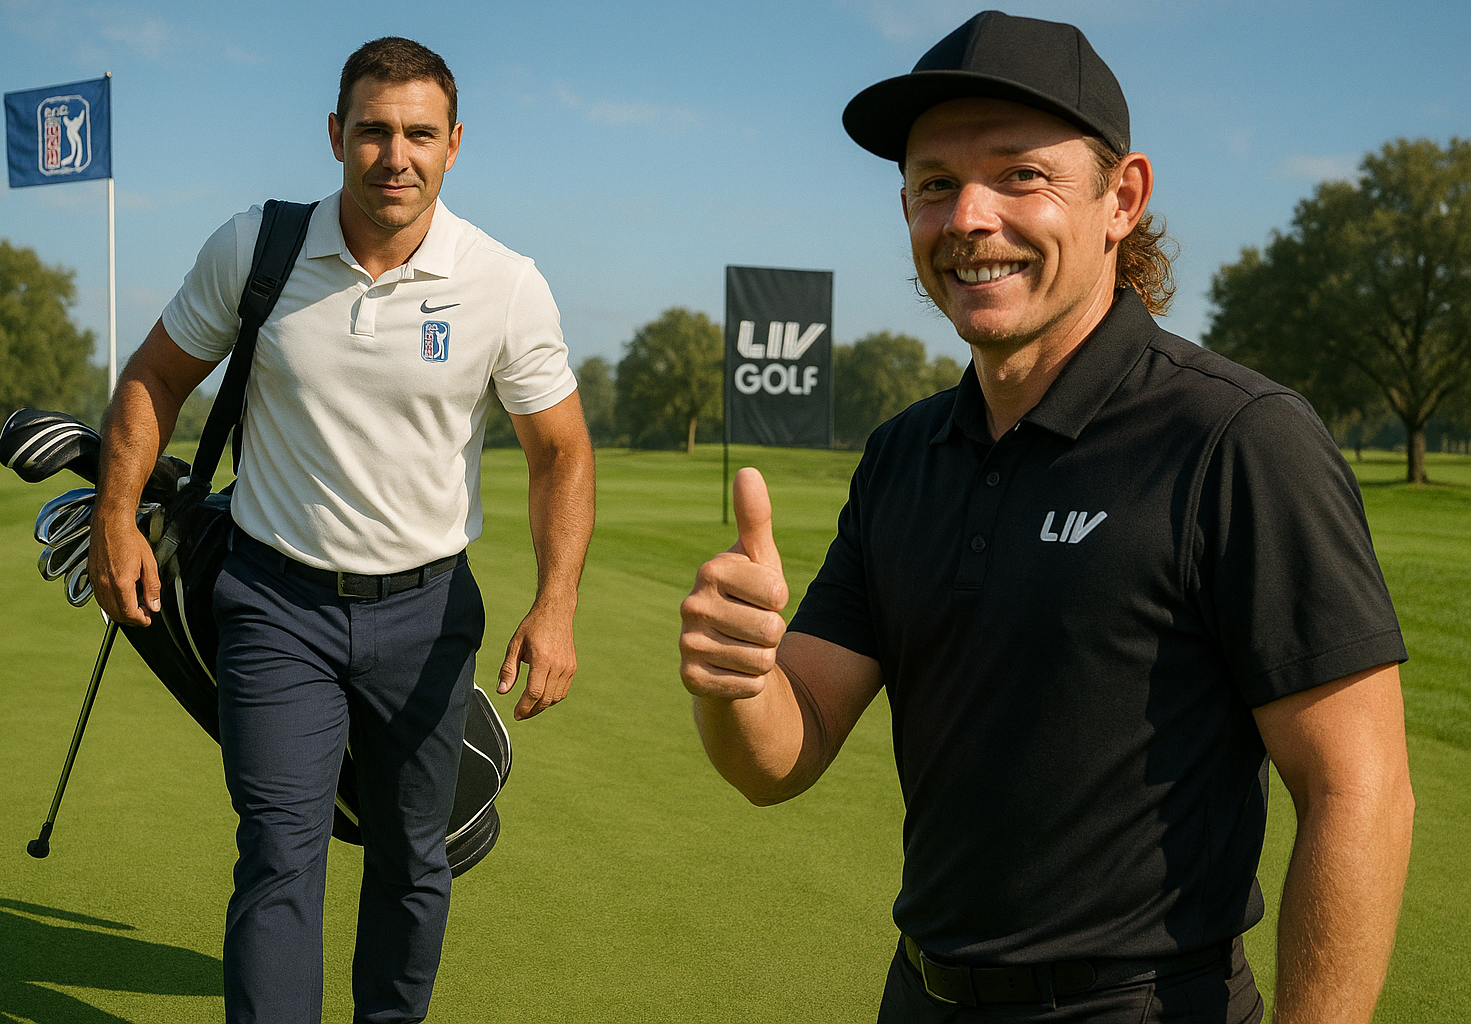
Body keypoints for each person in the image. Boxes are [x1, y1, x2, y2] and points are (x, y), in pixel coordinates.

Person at [678, 12, 1413, 1023]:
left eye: (1022, 174)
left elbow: (1357, 792)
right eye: (935, 183)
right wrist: (735, 679)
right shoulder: (904, 455)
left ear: (1122, 199)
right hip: (921, 995)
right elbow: (782, 751)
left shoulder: (1239, 438)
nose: (970, 216)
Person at [88, 37, 594, 1024]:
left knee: (415, 860)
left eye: (417, 134)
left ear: (454, 145)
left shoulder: (502, 282)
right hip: (277, 605)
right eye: (372, 131)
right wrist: (116, 511)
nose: (393, 156)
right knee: (280, 854)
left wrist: (558, 598)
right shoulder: (258, 246)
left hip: (428, 615)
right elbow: (153, 377)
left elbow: (561, 452)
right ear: (335, 137)